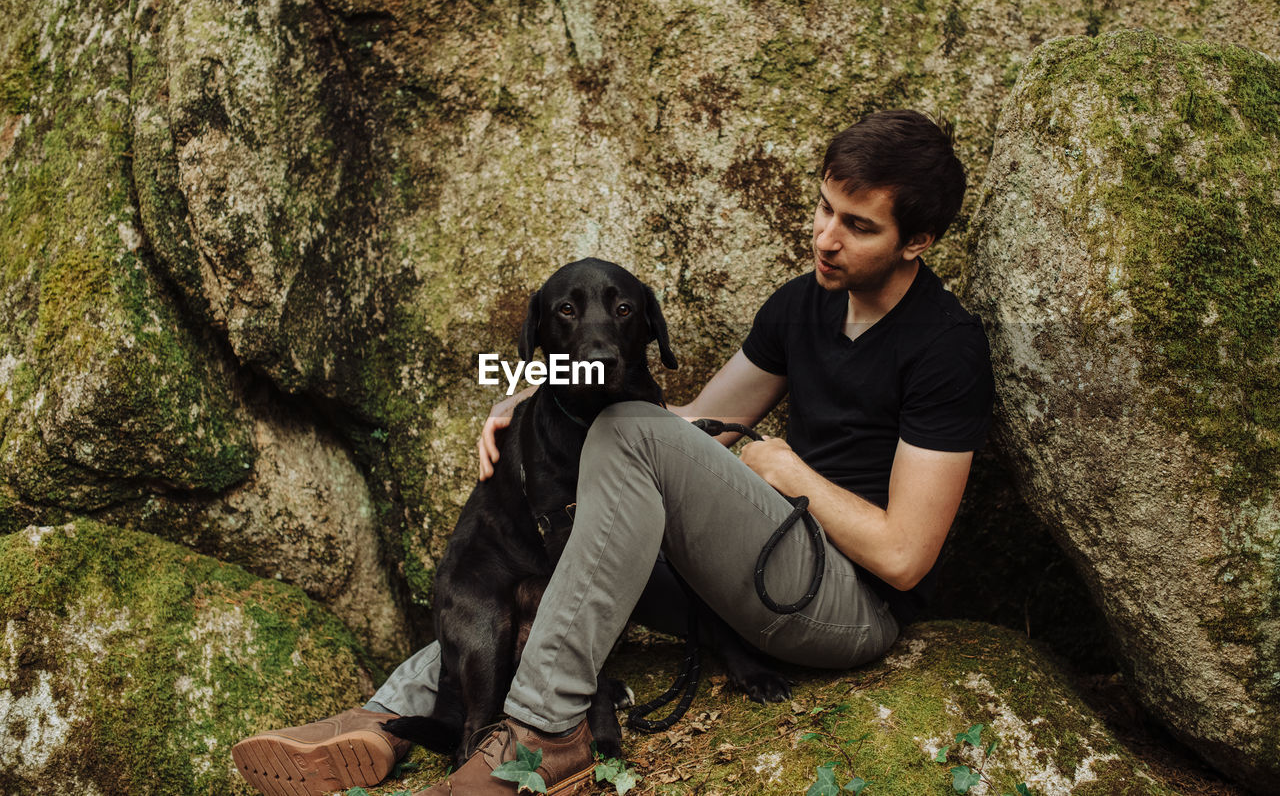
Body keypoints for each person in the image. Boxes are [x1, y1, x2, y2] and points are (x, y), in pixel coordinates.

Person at [232, 109, 994, 796]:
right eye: (825, 207)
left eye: (858, 225)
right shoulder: (804, 302)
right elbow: (692, 422)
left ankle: (543, 730)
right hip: (760, 571)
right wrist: (533, 392)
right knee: (563, 549)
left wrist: (791, 471)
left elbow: (903, 556)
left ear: (917, 242)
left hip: (845, 608)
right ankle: (384, 719)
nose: (826, 236)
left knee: (624, 434)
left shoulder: (945, 348)